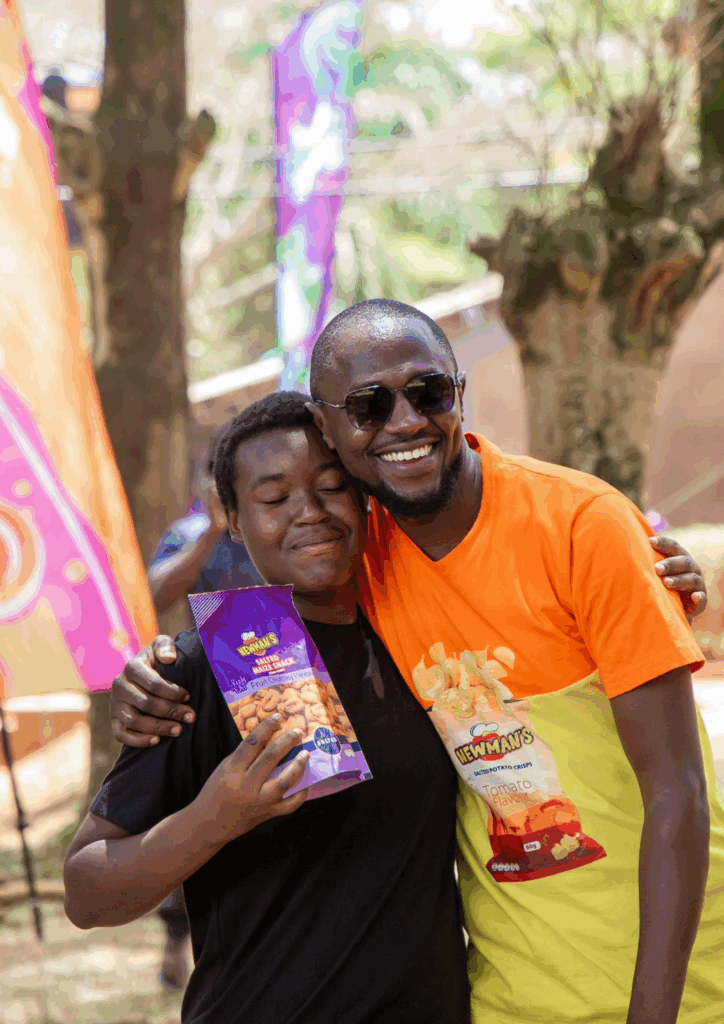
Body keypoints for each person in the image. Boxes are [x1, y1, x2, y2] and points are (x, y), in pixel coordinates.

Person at [111, 300, 723, 1024]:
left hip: (669, 987)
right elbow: (261, 602)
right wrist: (152, 671)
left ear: (459, 394)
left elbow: (677, 790)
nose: (404, 421)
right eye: (369, 405)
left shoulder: (580, 525)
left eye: (428, 392)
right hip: (501, 996)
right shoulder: (360, 560)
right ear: (330, 429)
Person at [63, 393, 471, 1024]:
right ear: (232, 518)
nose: (309, 513)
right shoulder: (212, 663)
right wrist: (214, 817)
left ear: (365, 496)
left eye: (333, 487)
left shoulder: (424, 637)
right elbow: (86, 892)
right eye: (275, 499)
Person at [147, 444, 264, 991]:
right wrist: (213, 531)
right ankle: (178, 939)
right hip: (210, 692)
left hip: (275, 683)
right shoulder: (188, 531)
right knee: (196, 816)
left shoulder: (271, 521)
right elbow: (157, 592)